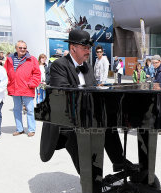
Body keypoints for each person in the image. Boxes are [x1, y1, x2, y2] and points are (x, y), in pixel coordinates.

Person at [40, 29, 129, 174]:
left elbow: (93, 91)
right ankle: (89, 176)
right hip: (67, 119)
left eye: (89, 48)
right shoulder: (59, 65)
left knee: (108, 123)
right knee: (77, 135)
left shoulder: (87, 67)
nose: (88, 51)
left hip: (87, 115)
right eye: (84, 48)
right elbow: (64, 95)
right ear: (73, 47)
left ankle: (119, 162)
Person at [4, 40, 41, 137]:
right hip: (15, 88)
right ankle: (19, 129)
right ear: (16, 48)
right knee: (16, 110)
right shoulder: (10, 59)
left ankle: (31, 129)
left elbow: (37, 74)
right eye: (20, 48)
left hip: (27, 89)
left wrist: (32, 84)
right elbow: (5, 72)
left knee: (29, 110)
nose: (22, 49)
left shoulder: (32, 59)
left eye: (24, 48)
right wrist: (7, 82)